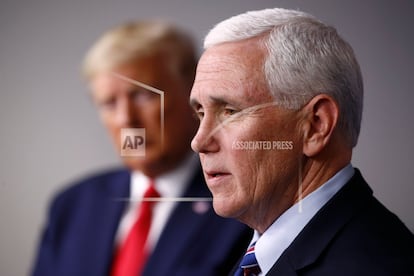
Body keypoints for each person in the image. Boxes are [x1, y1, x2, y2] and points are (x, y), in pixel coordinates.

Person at [190, 8, 414, 276]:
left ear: (316, 126)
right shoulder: (256, 254)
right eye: (201, 113)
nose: (199, 142)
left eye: (230, 111)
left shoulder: (377, 266)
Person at [32, 21, 252, 276]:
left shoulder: (241, 206)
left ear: (194, 93)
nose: (127, 119)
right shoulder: (72, 205)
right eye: (109, 103)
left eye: (143, 96)